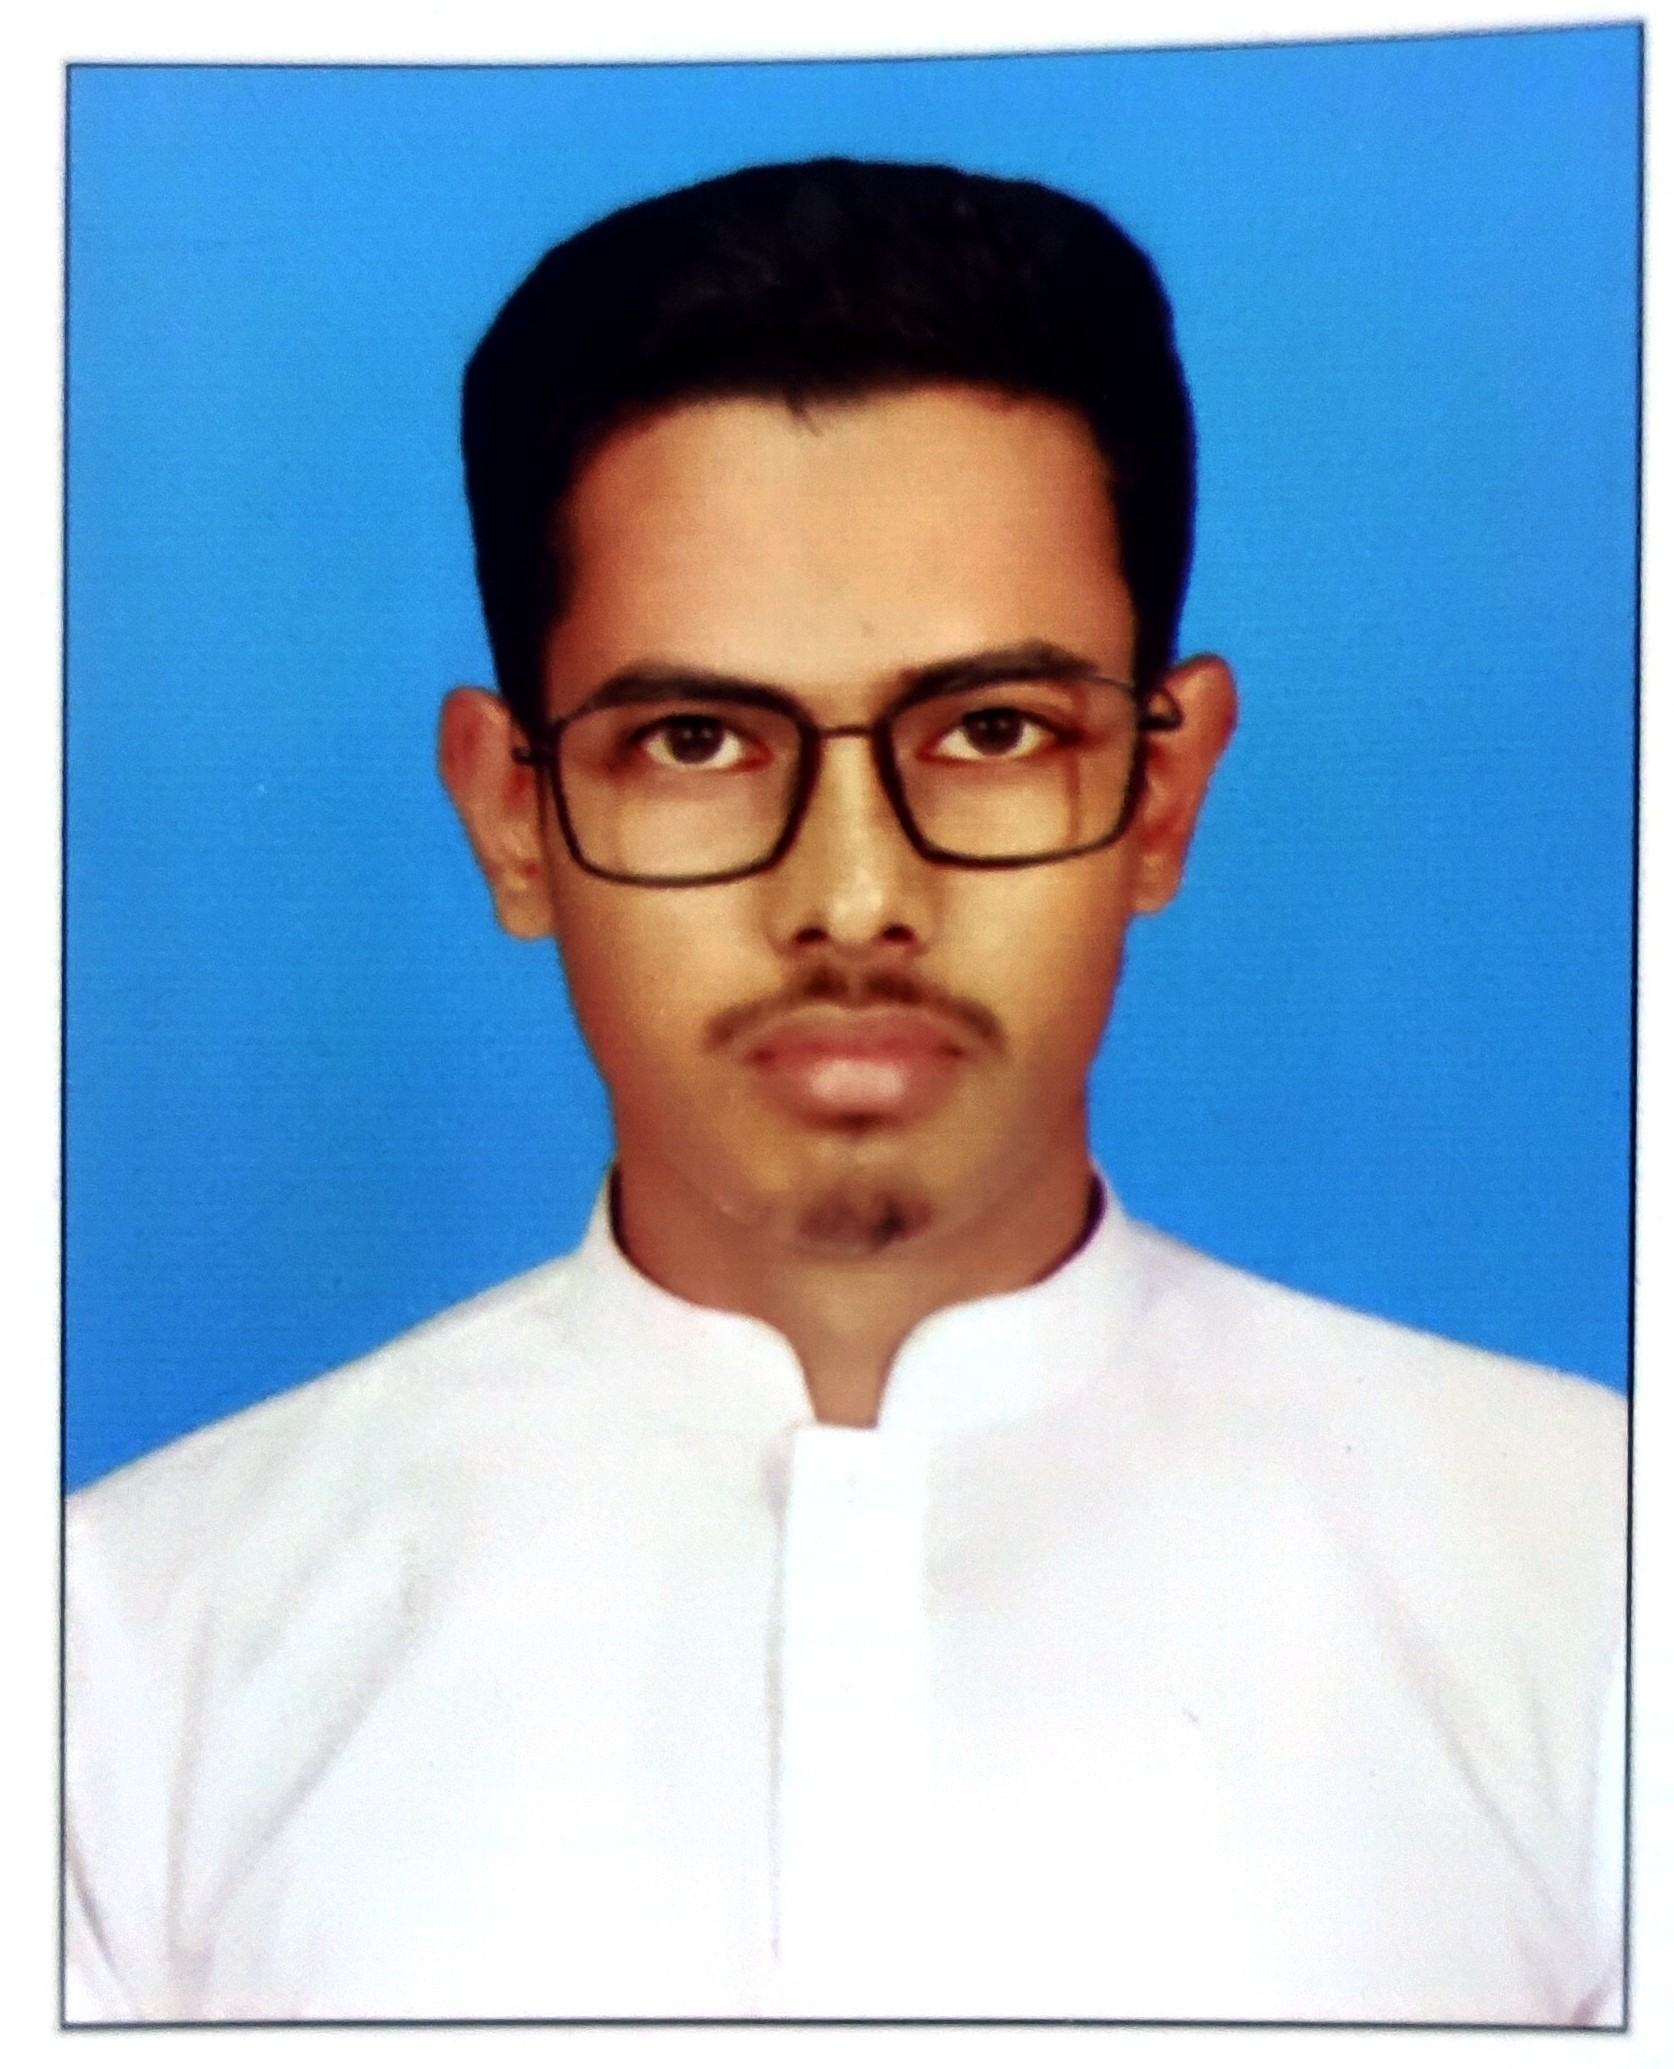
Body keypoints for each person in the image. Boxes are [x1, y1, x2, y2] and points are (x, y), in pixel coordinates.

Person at [64, 157, 1625, 2026]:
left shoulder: (1598, 1579)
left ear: (1162, 789)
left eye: (992, 730)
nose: (857, 899)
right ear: (512, 815)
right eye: (695, 739)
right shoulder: (125, 1651)